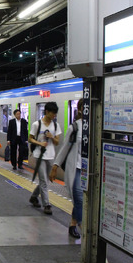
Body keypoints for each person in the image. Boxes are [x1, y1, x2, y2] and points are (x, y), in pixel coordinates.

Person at [50, 98, 84, 238]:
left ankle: (72, 223)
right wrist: (55, 166)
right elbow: (65, 148)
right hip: (76, 167)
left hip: (88, 169)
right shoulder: (74, 127)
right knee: (79, 198)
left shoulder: (96, 125)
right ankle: (84, 227)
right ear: (81, 109)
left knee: (80, 200)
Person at [29, 102, 62, 215]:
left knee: (46, 180)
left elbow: (57, 142)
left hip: (51, 155)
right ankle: (47, 204)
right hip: (39, 155)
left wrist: (52, 137)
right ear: (47, 112)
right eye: (53, 113)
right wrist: (39, 143)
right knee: (43, 180)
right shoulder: (36, 124)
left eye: (55, 114)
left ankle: (34, 196)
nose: (54, 115)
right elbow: (30, 139)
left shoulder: (56, 126)